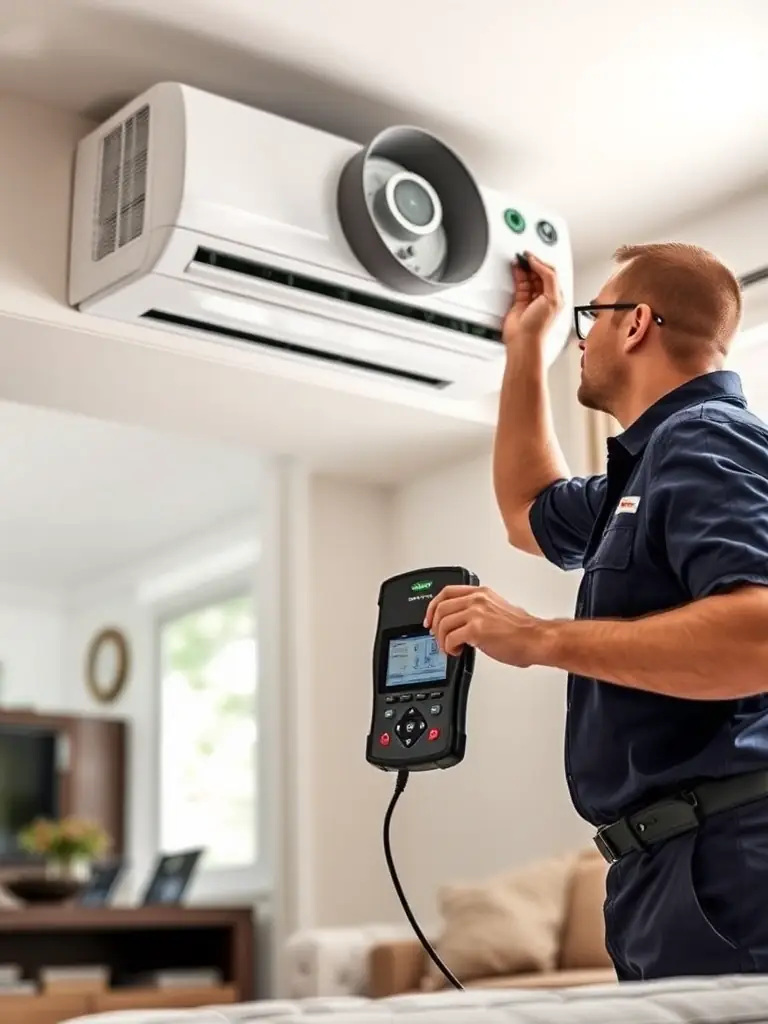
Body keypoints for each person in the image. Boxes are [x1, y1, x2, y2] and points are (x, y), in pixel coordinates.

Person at [424, 242, 768, 980]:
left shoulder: (704, 436)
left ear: (637, 323)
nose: (583, 338)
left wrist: (542, 637)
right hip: (665, 869)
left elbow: (759, 634)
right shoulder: (641, 474)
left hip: (729, 860)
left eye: (592, 318)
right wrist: (527, 345)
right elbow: (525, 510)